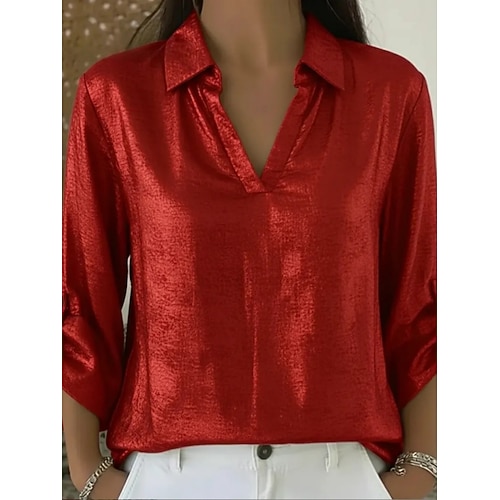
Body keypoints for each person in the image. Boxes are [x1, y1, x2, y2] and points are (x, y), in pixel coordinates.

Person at [62, 0, 437, 498]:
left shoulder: (390, 92)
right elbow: (82, 298)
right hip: (170, 477)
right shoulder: (116, 95)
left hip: (344, 473)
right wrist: (90, 474)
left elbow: (419, 298)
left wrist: (420, 470)